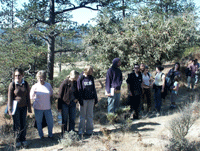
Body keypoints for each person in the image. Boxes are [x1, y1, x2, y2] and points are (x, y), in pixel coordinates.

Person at [7, 68, 32, 148]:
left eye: (19, 75)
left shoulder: (26, 84)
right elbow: (10, 98)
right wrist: (10, 109)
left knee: (23, 123)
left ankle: (23, 139)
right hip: (15, 108)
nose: (17, 76)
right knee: (16, 124)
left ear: (22, 75)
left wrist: (29, 107)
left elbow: (28, 96)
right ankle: (17, 140)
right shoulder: (12, 84)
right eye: (16, 75)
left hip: (24, 107)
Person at [30, 70, 54, 139]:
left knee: (50, 122)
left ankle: (50, 135)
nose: (41, 79)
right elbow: (31, 97)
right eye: (39, 77)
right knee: (39, 122)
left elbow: (51, 93)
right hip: (38, 108)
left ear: (45, 78)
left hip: (47, 107)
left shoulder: (48, 85)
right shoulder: (35, 86)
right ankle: (41, 135)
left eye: (42, 77)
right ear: (37, 78)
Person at [77, 65, 98, 135]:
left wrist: (95, 98)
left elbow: (93, 88)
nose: (92, 72)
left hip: (91, 99)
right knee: (82, 117)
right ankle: (81, 131)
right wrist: (80, 100)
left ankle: (89, 131)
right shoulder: (80, 78)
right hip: (83, 100)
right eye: (91, 70)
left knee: (90, 116)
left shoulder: (91, 77)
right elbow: (79, 90)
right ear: (88, 70)